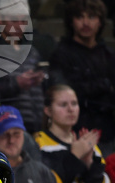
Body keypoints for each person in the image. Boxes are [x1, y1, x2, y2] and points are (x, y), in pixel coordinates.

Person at [49, 0, 115, 153]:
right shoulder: (61, 54)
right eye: (80, 17)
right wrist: (103, 86)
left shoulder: (109, 56)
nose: (86, 22)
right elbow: (62, 93)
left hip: (108, 133)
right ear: (71, 21)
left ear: (100, 21)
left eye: (91, 17)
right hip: (74, 133)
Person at [0, 1, 47, 134]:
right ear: (0, 20)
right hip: (6, 127)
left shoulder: (32, 52)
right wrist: (16, 84)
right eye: (14, 21)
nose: (19, 26)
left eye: (23, 21)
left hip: (36, 125)